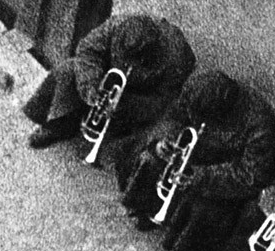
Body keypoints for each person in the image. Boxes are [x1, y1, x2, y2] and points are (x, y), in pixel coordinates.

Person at [117, 69, 275, 251]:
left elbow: (251, 175)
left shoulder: (259, 125)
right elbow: (174, 115)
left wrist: (200, 176)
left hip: (222, 173)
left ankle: (185, 247)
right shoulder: (198, 90)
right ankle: (144, 208)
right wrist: (166, 140)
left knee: (204, 206)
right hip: (196, 156)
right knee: (150, 159)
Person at [21, 12, 195, 154]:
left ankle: (108, 143)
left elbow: (163, 101)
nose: (128, 67)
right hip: (103, 81)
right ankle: (57, 125)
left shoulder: (176, 57)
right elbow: (88, 50)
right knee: (68, 69)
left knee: (131, 142)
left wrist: (126, 104)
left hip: (135, 100)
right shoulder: (118, 25)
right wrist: (91, 87)